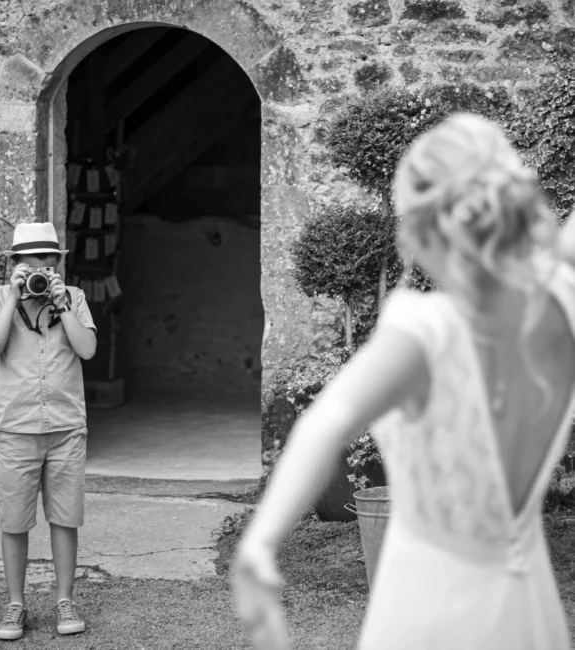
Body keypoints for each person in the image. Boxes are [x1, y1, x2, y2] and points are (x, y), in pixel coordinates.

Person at [233, 113, 575, 649]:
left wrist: (260, 543)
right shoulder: (562, 304)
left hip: (432, 603)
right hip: (526, 607)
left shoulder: (427, 330)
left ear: (423, 228)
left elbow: (327, 423)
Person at [0, 222, 97, 640]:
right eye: (28, 265)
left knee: (66, 519)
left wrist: (63, 306)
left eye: (45, 264)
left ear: (56, 264)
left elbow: (87, 350)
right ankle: (15, 605)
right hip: (17, 427)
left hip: (65, 427)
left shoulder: (76, 298)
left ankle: (64, 600)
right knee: (14, 520)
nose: (37, 272)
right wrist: (14, 297)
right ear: (14, 265)